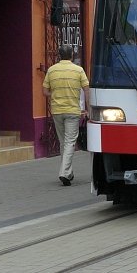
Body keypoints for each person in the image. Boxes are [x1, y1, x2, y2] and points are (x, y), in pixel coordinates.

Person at [42, 44, 89, 186]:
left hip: (57, 111)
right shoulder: (78, 70)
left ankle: (68, 172)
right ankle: (64, 172)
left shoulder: (51, 70)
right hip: (73, 111)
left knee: (63, 142)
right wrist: (88, 109)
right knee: (70, 142)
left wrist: (55, 95)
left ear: (59, 55)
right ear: (72, 56)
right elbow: (86, 90)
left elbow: (45, 92)